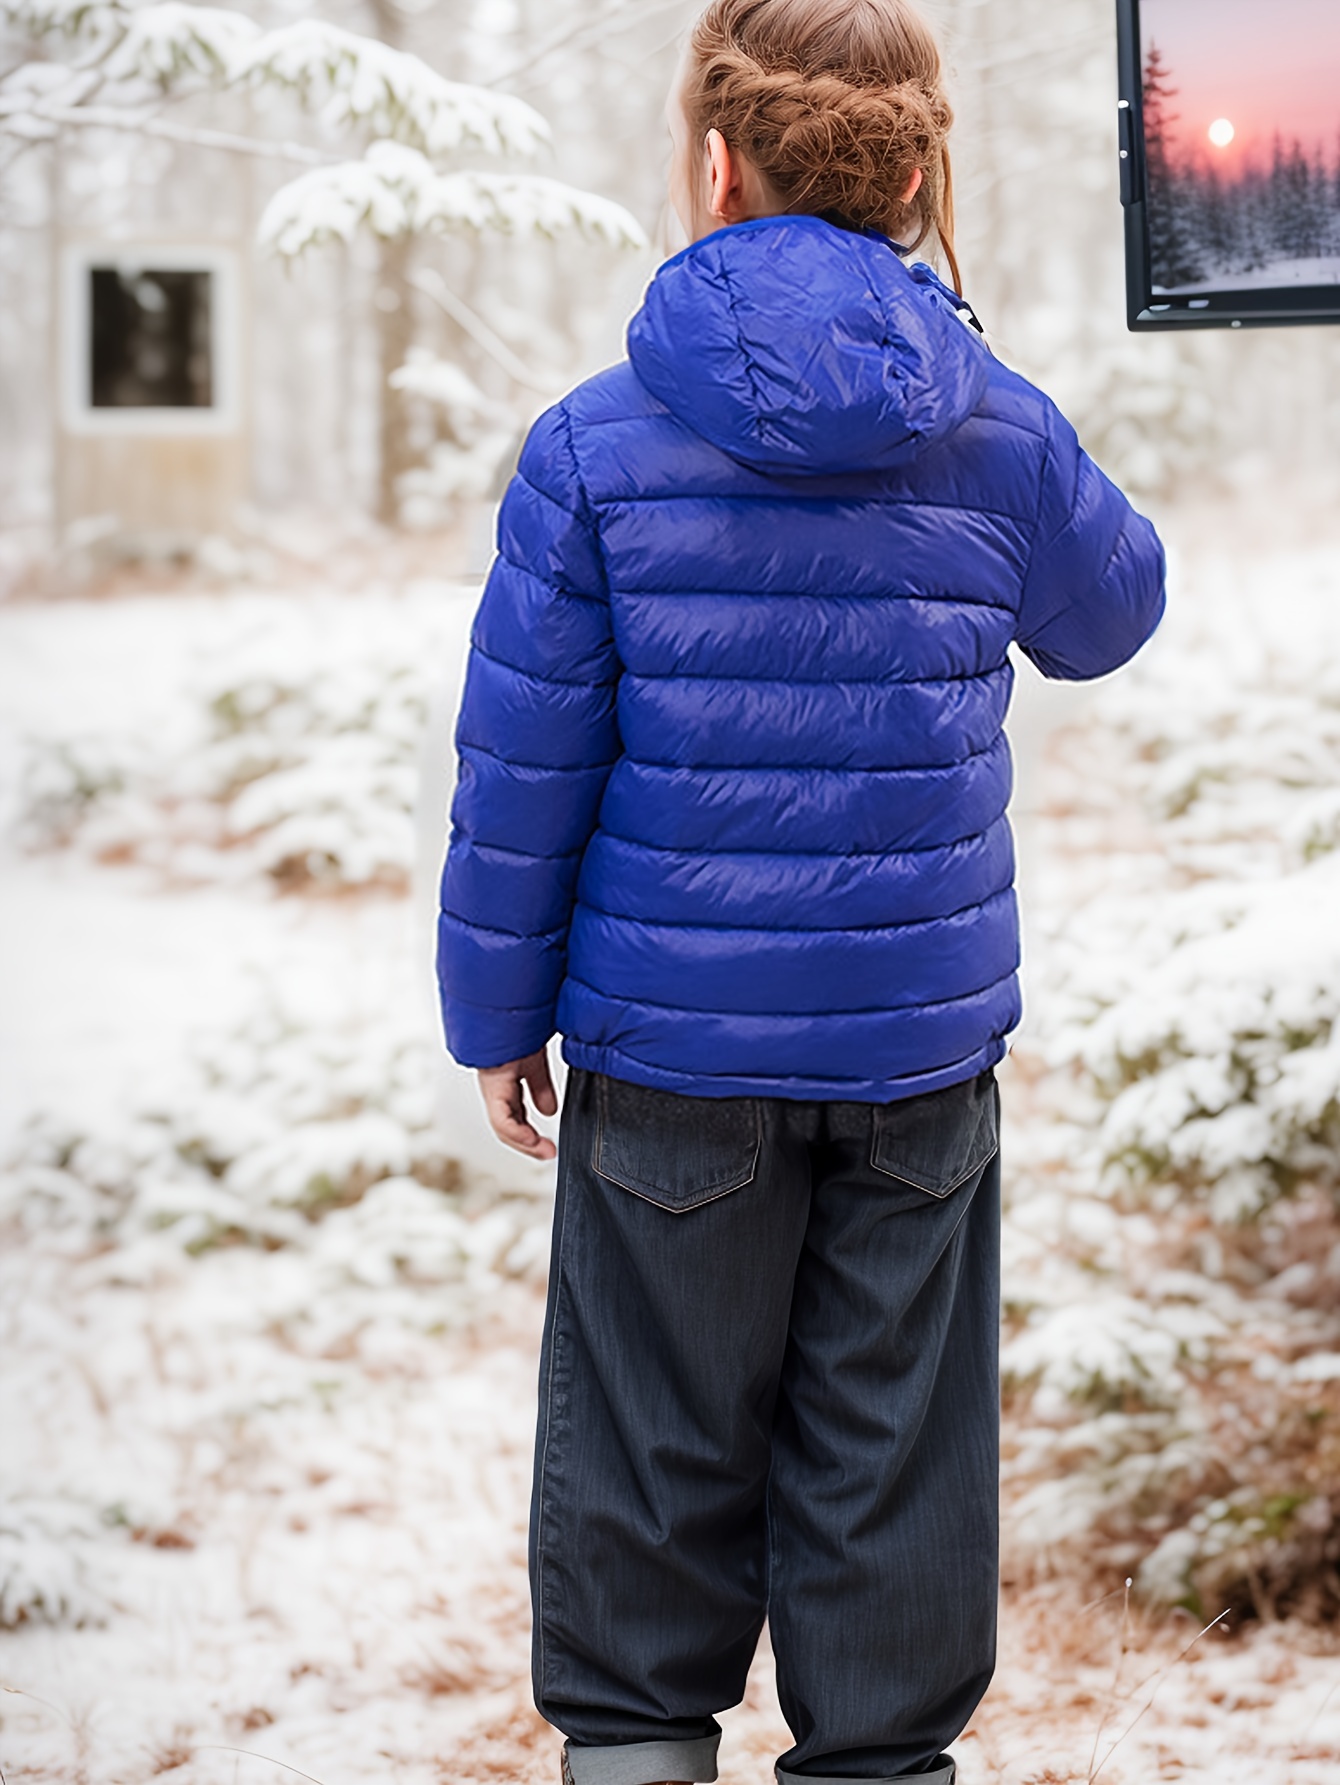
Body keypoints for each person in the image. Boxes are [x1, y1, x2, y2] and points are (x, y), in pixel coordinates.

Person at [436, 1, 1166, 1780]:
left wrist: (494, 1012)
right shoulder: (990, 424)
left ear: (713, 162)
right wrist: (979, 387)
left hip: (668, 1064)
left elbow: (527, 763)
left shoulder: (595, 444)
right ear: (917, 174)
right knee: (890, 1474)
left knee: (645, 1462)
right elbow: (1113, 611)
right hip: (916, 1066)